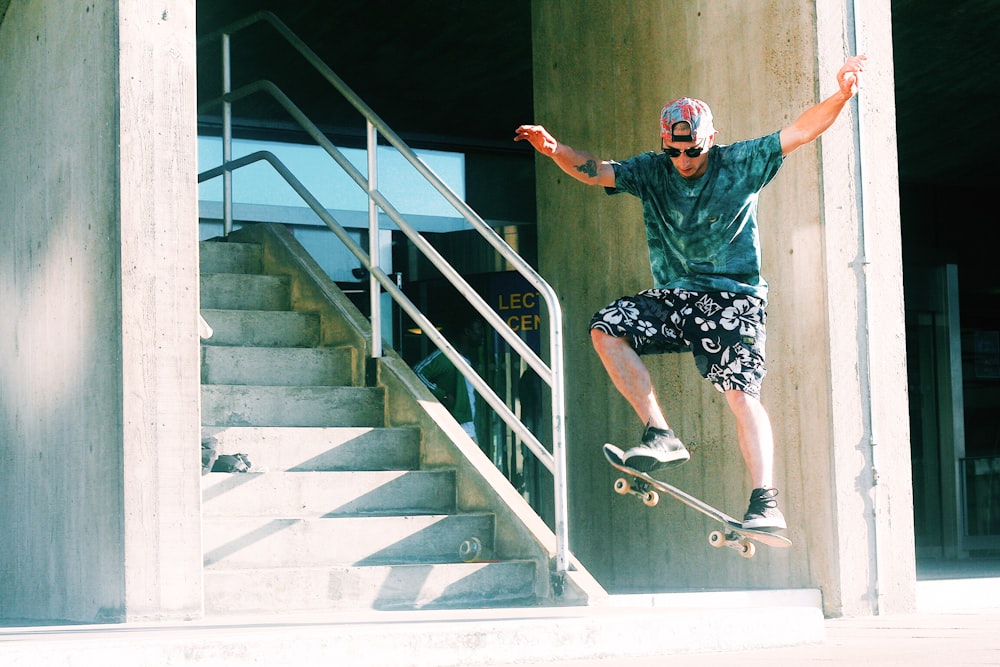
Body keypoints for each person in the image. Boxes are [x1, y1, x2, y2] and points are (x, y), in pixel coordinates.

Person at [514, 55, 867, 530]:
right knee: (606, 328)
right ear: (665, 142)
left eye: (694, 152)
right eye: (677, 152)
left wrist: (842, 94)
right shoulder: (651, 171)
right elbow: (594, 170)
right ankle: (660, 434)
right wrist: (554, 149)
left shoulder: (741, 163)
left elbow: (801, 131)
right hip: (677, 299)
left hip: (734, 300)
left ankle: (765, 501)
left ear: (710, 141)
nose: (684, 162)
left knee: (741, 394)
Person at [414, 317, 486, 443]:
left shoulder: (470, 359)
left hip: (469, 425)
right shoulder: (446, 355)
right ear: (467, 332)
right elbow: (417, 372)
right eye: (478, 329)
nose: (482, 334)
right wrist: (444, 395)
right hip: (457, 425)